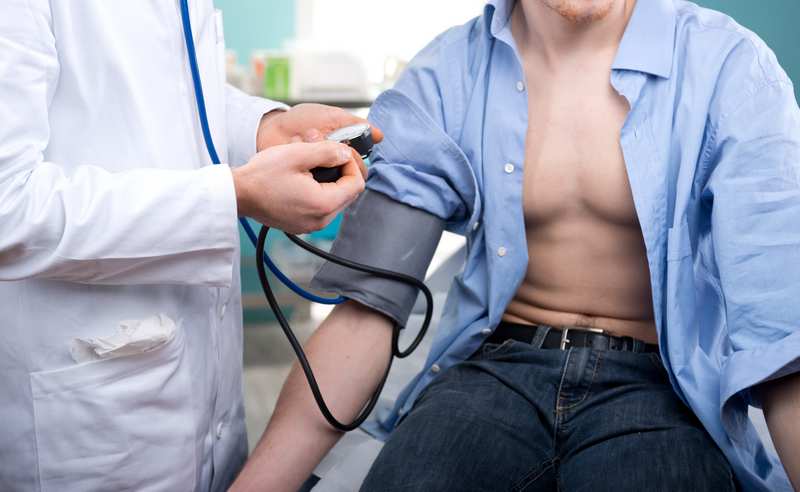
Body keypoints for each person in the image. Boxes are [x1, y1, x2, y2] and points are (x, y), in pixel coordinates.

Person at [232, 0, 800, 491]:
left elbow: (780, 337)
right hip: (496, 370)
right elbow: (366, 313)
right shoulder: (446, 76)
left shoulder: (729, 68)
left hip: (659, 386)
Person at [0, 1, 379, 491]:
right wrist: (232, 196)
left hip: (201, 390)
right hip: (81, 409)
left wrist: (259, 127)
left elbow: (164, 93)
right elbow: (7, 206)